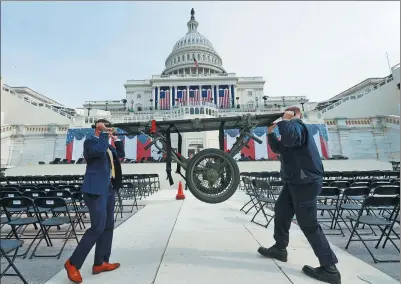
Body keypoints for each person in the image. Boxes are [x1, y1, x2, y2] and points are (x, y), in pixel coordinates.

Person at [258, 107, 341, 284]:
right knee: (281, 211)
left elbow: (291, 138)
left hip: (306, 182)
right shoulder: (292, 130)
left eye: (288, 114)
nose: (284, 116)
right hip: (295, 181)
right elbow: (279, 147)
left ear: (296, 115)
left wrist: (287, 120)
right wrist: (271, 133)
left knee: (308, 224)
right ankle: (280, 248)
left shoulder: (298, 126)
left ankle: (330, 269)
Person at [64, 119, 125, 283]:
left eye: (107, 126)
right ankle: (72, 263)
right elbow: (97, 152)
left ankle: (101, 262)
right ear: (98, 128)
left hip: (109, 189)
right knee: (97, 227)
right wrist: (103, 133)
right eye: (103, 125)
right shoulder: (91, 141)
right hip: (95, 190)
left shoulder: (108, 145)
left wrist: (116, 138)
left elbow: (121, 155)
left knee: (108, 226)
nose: (107, 128)